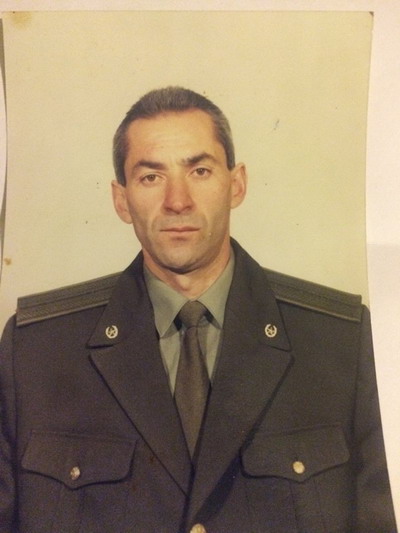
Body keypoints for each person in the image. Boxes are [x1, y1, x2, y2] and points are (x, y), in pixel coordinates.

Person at [0, 87, 396, 533]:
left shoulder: (342, 344)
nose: (178, 201)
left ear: (236, 184)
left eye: (200, 171)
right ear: (120, 199)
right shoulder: (35, 352)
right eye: (151, 177)